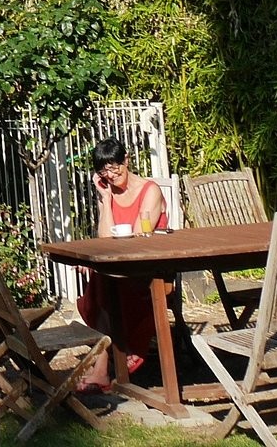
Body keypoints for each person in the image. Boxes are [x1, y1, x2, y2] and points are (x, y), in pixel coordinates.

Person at [74, 137, 170, 392]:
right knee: (103, 279)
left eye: (114, 167)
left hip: (149, 269)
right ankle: (111, 359)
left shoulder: (149, 190)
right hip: (118, 271)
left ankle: (105, 364)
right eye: (104, 170)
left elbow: (137, 239)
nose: (111, 174)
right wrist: (106, 200)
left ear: (126, 160)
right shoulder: (108, 193)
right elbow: (105, 240)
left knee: (104, 281)